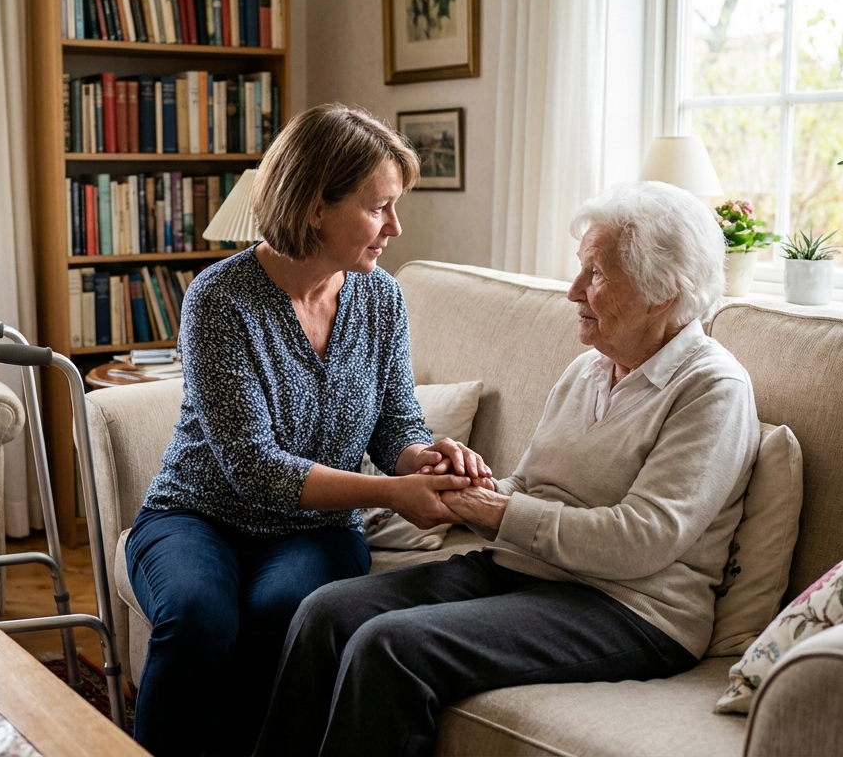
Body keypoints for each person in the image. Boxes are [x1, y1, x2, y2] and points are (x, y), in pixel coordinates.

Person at [255, 181, 762, 757]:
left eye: (595, 275)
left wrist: (498, 509)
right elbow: (529, 488)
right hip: (530, 568)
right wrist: (465, 486)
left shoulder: (712, 388)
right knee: (327, 610)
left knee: (390, 646)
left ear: (662, 294)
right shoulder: (590, 369)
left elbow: (645, 539)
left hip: (630, 608)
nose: (572, 292)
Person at [124, 103, 491, 757]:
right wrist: (390, 495)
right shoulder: (219, 298)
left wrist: (426, 458)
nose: (395, 227)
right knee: (199, 619)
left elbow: (394, 425)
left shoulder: (382, 300)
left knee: (284, 612)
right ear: (316, 206)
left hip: (317, 533)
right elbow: (255, 467)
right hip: (197, 515)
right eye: (379, 207)